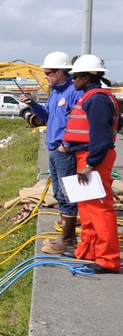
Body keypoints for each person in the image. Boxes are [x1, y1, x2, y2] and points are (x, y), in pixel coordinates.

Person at [61, 54, 120, 273]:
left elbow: (101, 135)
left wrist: (91, 164)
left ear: (87, 78)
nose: (72, 80)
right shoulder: (94, 97)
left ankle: (107, 259)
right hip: (86, 156)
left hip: (94, 157)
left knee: (99, 209)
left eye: (75, 76)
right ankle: (88, 251)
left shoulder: (96, 100)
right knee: (87, 208)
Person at [20, 51, 83, 253]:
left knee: (68, 194)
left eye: (48, 73)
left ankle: (68, 241)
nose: (45, 77)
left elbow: (79, 121)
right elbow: (48, 117)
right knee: (58, 193)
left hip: (64, 151)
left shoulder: (74, 91)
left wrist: (66, 143)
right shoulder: (55, 91)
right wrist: (33, 105)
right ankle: (66, 238)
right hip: (54, 149)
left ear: (61, 72)